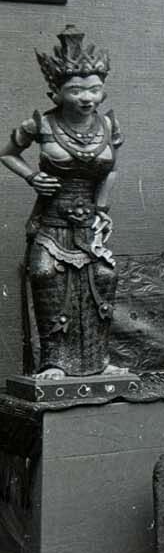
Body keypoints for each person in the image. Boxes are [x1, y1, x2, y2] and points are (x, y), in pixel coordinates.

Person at [0, 29, 122, 378]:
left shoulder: (108, 124)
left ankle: (99, 362)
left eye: (94, 89)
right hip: (51, 219)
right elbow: (7, 153)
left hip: (89, 224)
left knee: (102, 279)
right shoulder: (41, 124)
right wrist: (31, 176)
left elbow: (111, 170)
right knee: (46, 276)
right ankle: (53, 362)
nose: (87, 97)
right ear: (55, 91)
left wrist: (102, 210)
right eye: (76, 90)